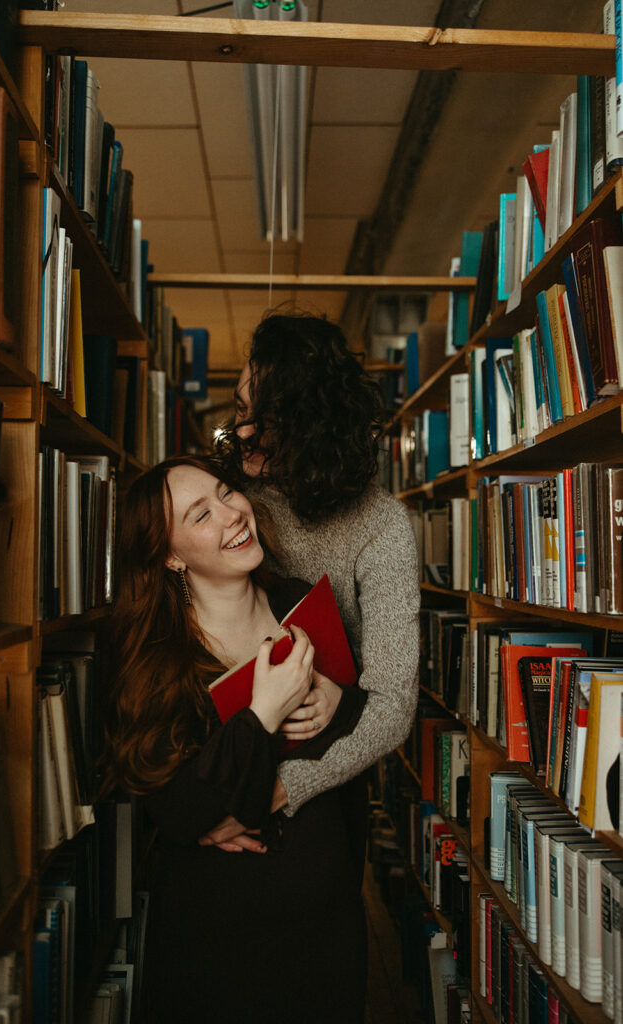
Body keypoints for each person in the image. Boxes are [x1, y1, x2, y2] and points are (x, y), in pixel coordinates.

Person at [104, 454, 369, 1024]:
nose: (232, 514)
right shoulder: (158, 661)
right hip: (221, 942)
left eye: (226, 492)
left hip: (328, 924)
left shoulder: (300, 601)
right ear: (171, 556)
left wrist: (339, 701)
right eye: (201, 514)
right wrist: (261, 714)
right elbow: (174, 811)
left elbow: (362, 732)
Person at [208, 310, 420, 854]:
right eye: (240, 409)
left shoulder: (381, 527)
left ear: (314, 426)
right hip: (221, 759)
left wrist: (281, 790)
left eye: (269, 419)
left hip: (323, 776)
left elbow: (392, 704)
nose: (245, 432)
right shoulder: (229, 501)